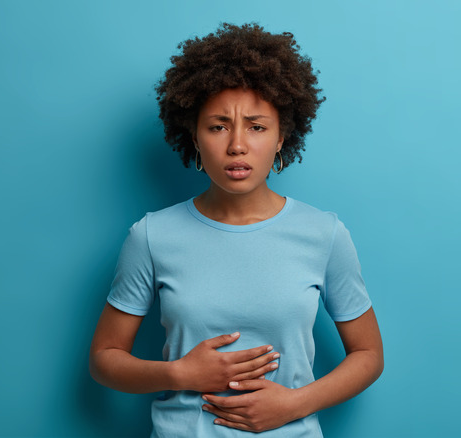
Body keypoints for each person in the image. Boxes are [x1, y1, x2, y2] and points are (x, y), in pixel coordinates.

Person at [89, 23, 383, 437]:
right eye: (218, 126)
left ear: (282, 136)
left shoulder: (324, 234)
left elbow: (368, 354)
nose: (237, 145)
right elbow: (105, 358)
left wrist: (293, 404)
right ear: (194, 135)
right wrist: (180, 374)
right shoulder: (152, 236)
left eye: (257, 127)